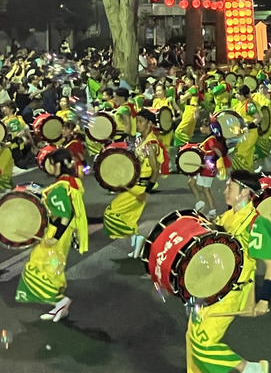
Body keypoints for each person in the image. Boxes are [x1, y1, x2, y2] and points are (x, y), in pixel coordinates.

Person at [186, 169, 271, 373]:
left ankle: (251, 369)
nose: (225, 190)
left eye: (230, 186)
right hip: (210, 286)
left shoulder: (255, 224)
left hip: (231, 292)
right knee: (192, 334)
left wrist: (264, 299)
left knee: (204, 345)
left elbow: (270, 264)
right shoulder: (226, 216)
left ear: (245, 192)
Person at [15, 148, 88, 322]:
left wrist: (55, 237)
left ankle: (60, 301)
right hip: (63, 233)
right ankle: (59, 307)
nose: (48, 167)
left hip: (57, 233)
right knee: (53, 267)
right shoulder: (71, 181)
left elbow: (65, 214)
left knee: (39, 266)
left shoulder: (61, 186)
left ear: (58, 165)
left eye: (51, 163)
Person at [102, 109, 166, 258]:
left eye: (141, 121)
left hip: (140, 188)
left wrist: (146, 192)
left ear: (150, 124)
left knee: (112, 212)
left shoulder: (150, 144)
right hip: (134, 185)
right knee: (127, 216)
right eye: (137, 121)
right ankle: (137, 241)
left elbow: (156, 171)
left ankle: (137, 238)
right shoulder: (142, 140)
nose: (137, 124)